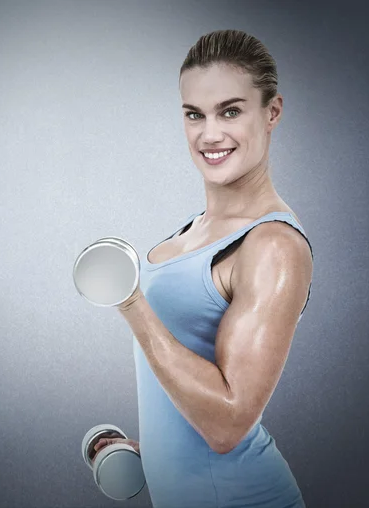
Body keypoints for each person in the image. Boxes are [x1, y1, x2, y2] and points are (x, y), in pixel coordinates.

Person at [94, 29, 313, 507]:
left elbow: (228, 423)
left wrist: (131, 302)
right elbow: (191, 386)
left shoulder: (272, 243)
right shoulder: (196, 228)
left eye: (230, 111)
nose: (209, 134)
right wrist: (156, 452)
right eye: (195, 114)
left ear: (271, 112)